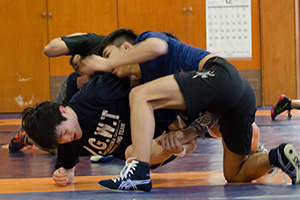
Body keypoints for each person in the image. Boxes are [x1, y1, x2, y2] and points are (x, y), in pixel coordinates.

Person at [77, 29, 300, 192]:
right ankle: (277, 156)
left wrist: (104, 64)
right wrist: (177, 145)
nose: (109, 66)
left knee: (138, 95)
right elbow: (188, 137)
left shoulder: (147, 41)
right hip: (236, 101)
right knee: (234, 175)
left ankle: (138, 173)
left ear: (126, 47)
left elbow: (158, 47)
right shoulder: (157, 99)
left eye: (108, 55)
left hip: (221, 74)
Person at [21, 70, 199, 186]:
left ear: (63, 110)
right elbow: (68, 170)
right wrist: (64, 176)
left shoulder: (95, 94)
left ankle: (189, 126)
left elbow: (134, 75)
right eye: (61, 140)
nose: (68, 139)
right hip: (149, 151)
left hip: (161, 114)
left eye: (64, 132)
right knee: (133, 153)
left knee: (135, 150)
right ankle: (183, 145)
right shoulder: (67, 144)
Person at [9, 32, 104, 153]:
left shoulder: (103, 62)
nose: (80, 70)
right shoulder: (74, 82)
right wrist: (83, 37)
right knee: (62, 143)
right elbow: (49, 50)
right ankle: (29, 138)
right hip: (72, 117)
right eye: (77, 68)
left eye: (81, 66)